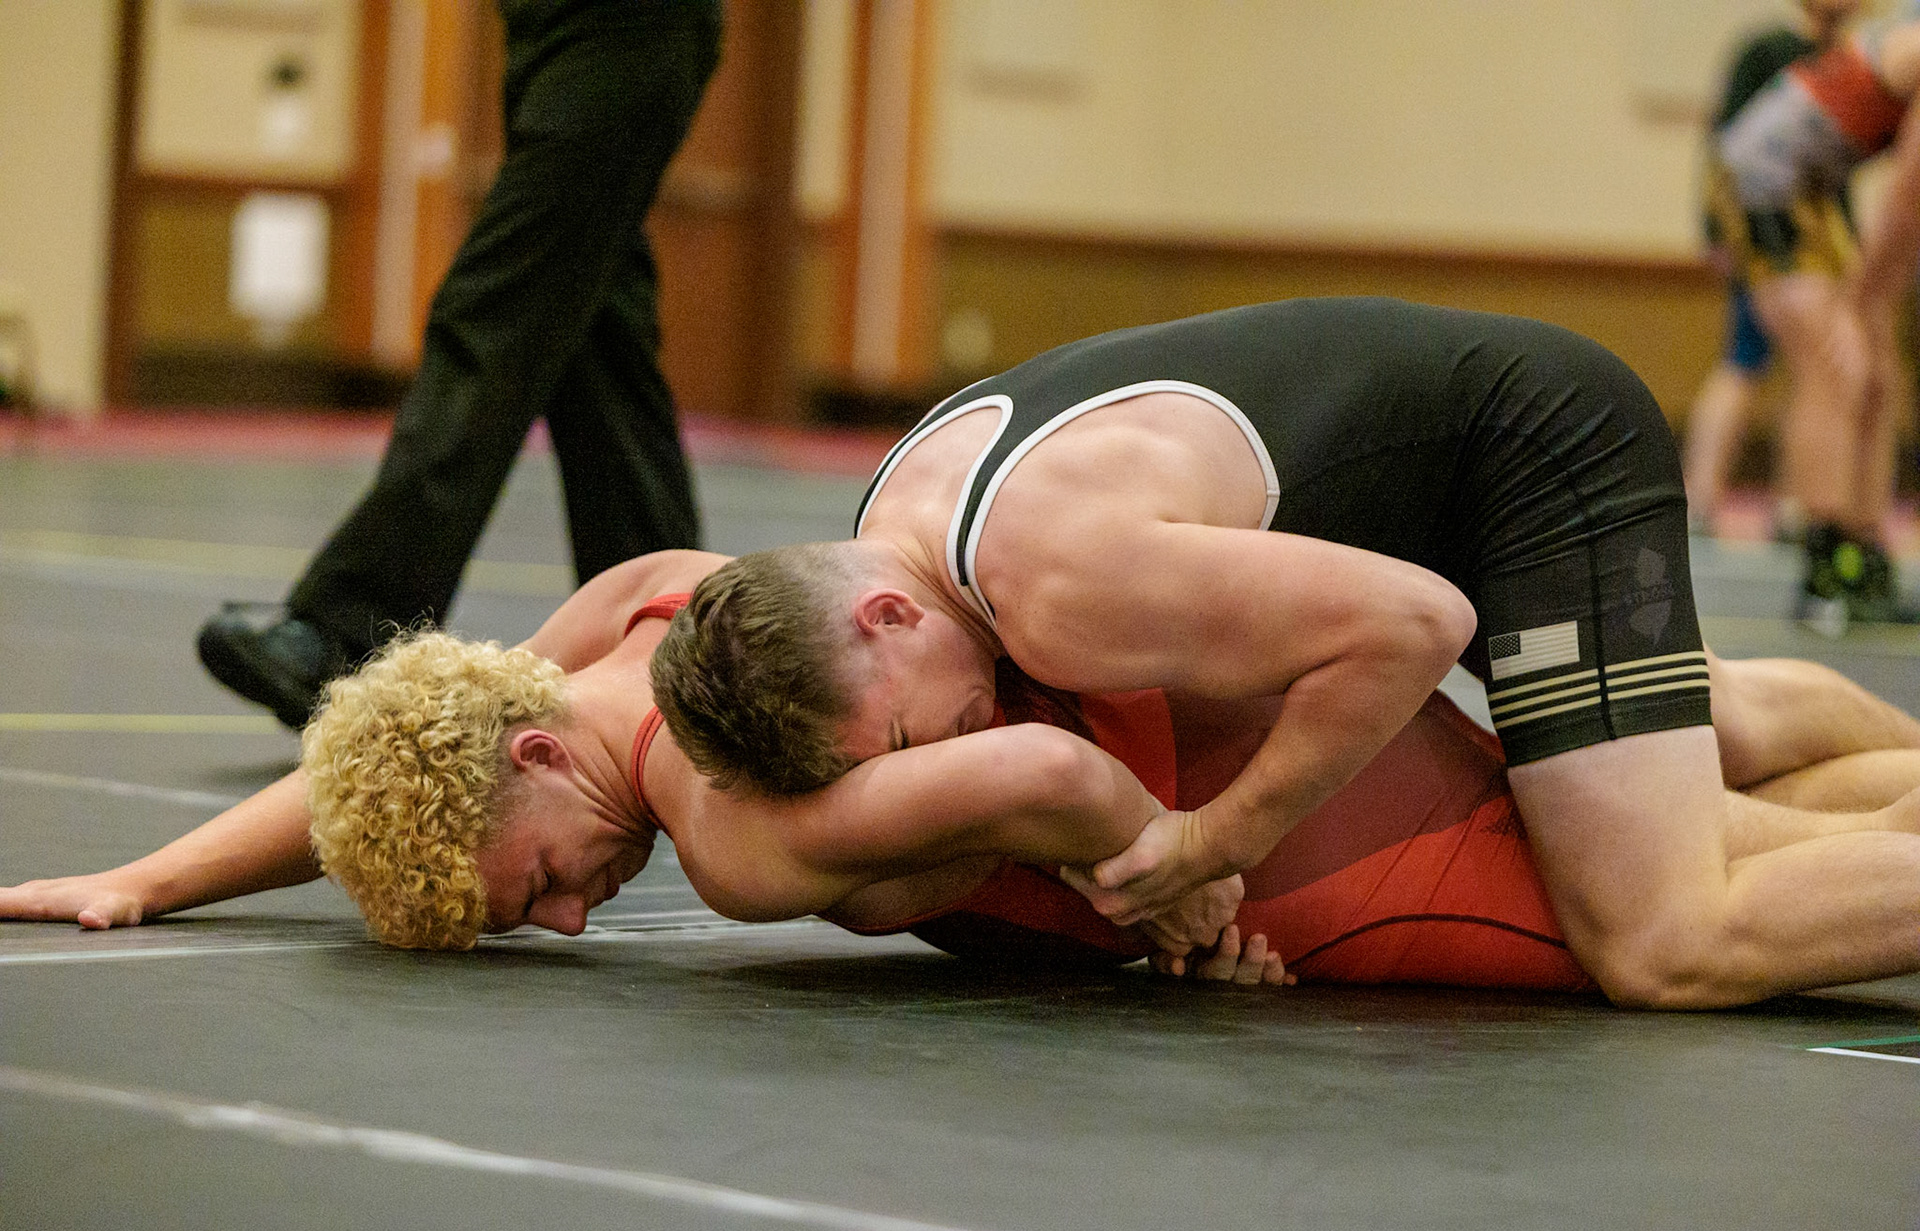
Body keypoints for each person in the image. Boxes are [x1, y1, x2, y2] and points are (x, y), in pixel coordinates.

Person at [649, 296, 1920, 1009]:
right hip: (1458, 443)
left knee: (1665, 937)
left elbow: (1416, 625)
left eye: (907, 739)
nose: (944, 753)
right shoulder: (895, 512)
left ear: (884, 619)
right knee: (1711, 734)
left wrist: (1219, 839)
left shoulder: (1052, 591)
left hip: (1527, 462)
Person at [6, 549, 1919, 996]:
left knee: (1680, 930)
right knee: (1684, 755)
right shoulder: (642, 609)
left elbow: (1055, 790)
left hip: (1297, 848)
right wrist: (155, 877)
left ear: (527, 750)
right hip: (1233, 680)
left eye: (542, 886)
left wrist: (1181, 890)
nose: (578, 916)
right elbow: (385, 766)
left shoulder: (736, 834)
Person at [197, 0, 722, 729]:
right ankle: (671, 649)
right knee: (602, 351)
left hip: (622, 28)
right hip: (554, 35)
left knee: (493, 310)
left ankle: (351, 628)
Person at [1707, 3, 1920, 630]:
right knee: (1836, 368)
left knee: (1879, 378)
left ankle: (1864, 553)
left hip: (1814, 188)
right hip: (1762, 179)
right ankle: (1825, 568)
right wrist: (1861, 300)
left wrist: (1869, 300)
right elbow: (1905, 204)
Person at [1685, 0, 1859, 536]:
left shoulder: (1847, 59)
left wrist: (1850, 249)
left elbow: (1834, 177)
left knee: (1809, 373)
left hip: (1814, 239)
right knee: (1745, 359)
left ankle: (1796, 501)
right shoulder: (1768, 50)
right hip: (1767, 236)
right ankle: (1700, 498)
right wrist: (1717, 229)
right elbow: (1726, 143)